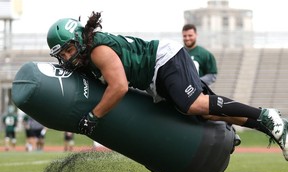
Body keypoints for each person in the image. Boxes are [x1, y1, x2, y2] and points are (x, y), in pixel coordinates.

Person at [46, 11, 288, 160]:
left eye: (69, 49)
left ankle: (264, 114)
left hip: (162, 60)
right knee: (209, 113)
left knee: (192, 105)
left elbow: (118, 87)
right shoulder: (88, 55)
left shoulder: (98, 51)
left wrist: (93, 115)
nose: (68, 57)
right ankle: (274, 128)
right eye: (63, 54)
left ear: (79, 39)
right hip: (154, 75)